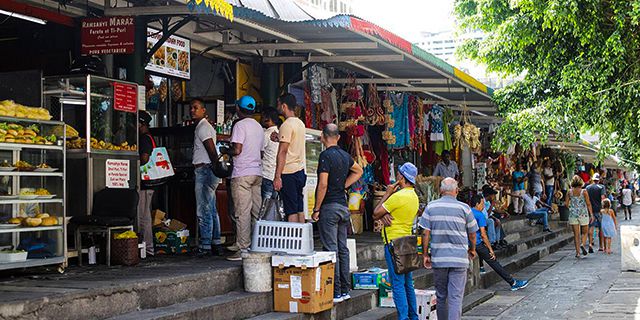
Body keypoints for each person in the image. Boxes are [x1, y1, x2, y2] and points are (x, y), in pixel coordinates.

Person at [312, 124, 363, 303]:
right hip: (343, 207)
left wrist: (316, 208)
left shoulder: (325, 156)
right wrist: (343, 186)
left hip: (329, 207)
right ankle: (344, 289)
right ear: (338, 137)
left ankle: (334, 291)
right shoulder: (344, 155)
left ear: (323, 137)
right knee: (342, 249)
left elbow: (323, 184)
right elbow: (359, 171)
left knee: (331, 250)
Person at [419, 178, 478, 320]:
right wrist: (473, 249)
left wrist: (425, 254)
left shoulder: (431, 207)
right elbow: (472, 234)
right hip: (459, 259)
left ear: (440, 190)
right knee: (455, 298)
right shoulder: (465, 208)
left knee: (441, 296)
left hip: (439, 259)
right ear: (456, 191)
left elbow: (425, 233)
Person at [373, 163, 420, 320]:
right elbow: (383, 213)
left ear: (401, 177)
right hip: (407, 242)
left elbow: (375, 213)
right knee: (408, 284)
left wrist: (387, 194)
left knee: (398, 284)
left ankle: (403, 317)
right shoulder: (413, 196)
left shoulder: (397, 197)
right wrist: (384, 213)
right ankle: (413, 317)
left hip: (394, 244)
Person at [222, 96, 264, 261]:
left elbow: (237, 150)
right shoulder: (259, 127)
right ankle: (257, 246)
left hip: (242, 174)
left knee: (242, 212)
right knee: (256, 212)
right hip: (257, 173)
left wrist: (226, 150)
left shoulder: (239, 125)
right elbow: (260, 152)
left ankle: (243, 249)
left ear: (239, 109)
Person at [470, 194, 529, 291]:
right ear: (477, 204)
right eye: (482, 204)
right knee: (494, 262)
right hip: (477, 243)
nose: (483, 206)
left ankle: (481, 268)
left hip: (468, 243)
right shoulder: (479, 215)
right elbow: (484, 235)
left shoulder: (467, 212)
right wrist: (491, 249)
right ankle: (512, 282)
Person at [190, 98, 223, 256]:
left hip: (204, 169)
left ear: (204, 110)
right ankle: (216, 242)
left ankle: (205, 245)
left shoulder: (203, 127)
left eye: (195, 108)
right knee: (212, 209)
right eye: (191, 108)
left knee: (203, 209)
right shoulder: (206, 126)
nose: (192, 110)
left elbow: (211, 148)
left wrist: (216, 165)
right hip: (209, 169)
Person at [273, 94, 307, 223]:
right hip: (300, 171)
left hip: (288, 172)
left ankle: (292, 240)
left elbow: (283, 152)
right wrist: (278, 138)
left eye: (278, 104)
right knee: (299, 207)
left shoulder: (286, 125)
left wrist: (277, 176)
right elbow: (292, 144)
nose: (278, 107)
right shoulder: (300, 123)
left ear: (284, 106)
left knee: (291, 209)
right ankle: (301, 238)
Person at [137, 111, 155, 256]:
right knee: (145, 215)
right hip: (147, 183)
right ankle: (147, 248)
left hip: (144, 182)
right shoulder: (147, 138)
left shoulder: (144, 139)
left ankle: (147, 248)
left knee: (143, 217)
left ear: (141, 124)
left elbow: (144, 159)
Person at [566, 175, 594, 258]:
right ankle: (582, 244)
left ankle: (577, 253)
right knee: (585, 232)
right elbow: (588, 203)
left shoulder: (569, 192)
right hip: (583, 214)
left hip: (573, 215)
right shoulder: (584, 191)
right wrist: (591, 214)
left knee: (576, 234)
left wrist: (572, 208)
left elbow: (566, 204)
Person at [260, 107, 281, 200]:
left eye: (262, 116)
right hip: (276, 176)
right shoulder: (280, 134)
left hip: (266, 174)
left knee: (265, 206)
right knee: (273, 206)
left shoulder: (266, 134)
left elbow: (260, 153)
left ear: (267, 118)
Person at [586, 173, 606, 253]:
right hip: (599, 210)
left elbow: (586, 199)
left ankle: (590, 244)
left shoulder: (587, 187)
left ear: (592, 179)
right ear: (599, 180)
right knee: (601, 228)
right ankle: (601, 246)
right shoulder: (601, 187)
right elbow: (603, 198)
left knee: (591, 227)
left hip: (590, 210)